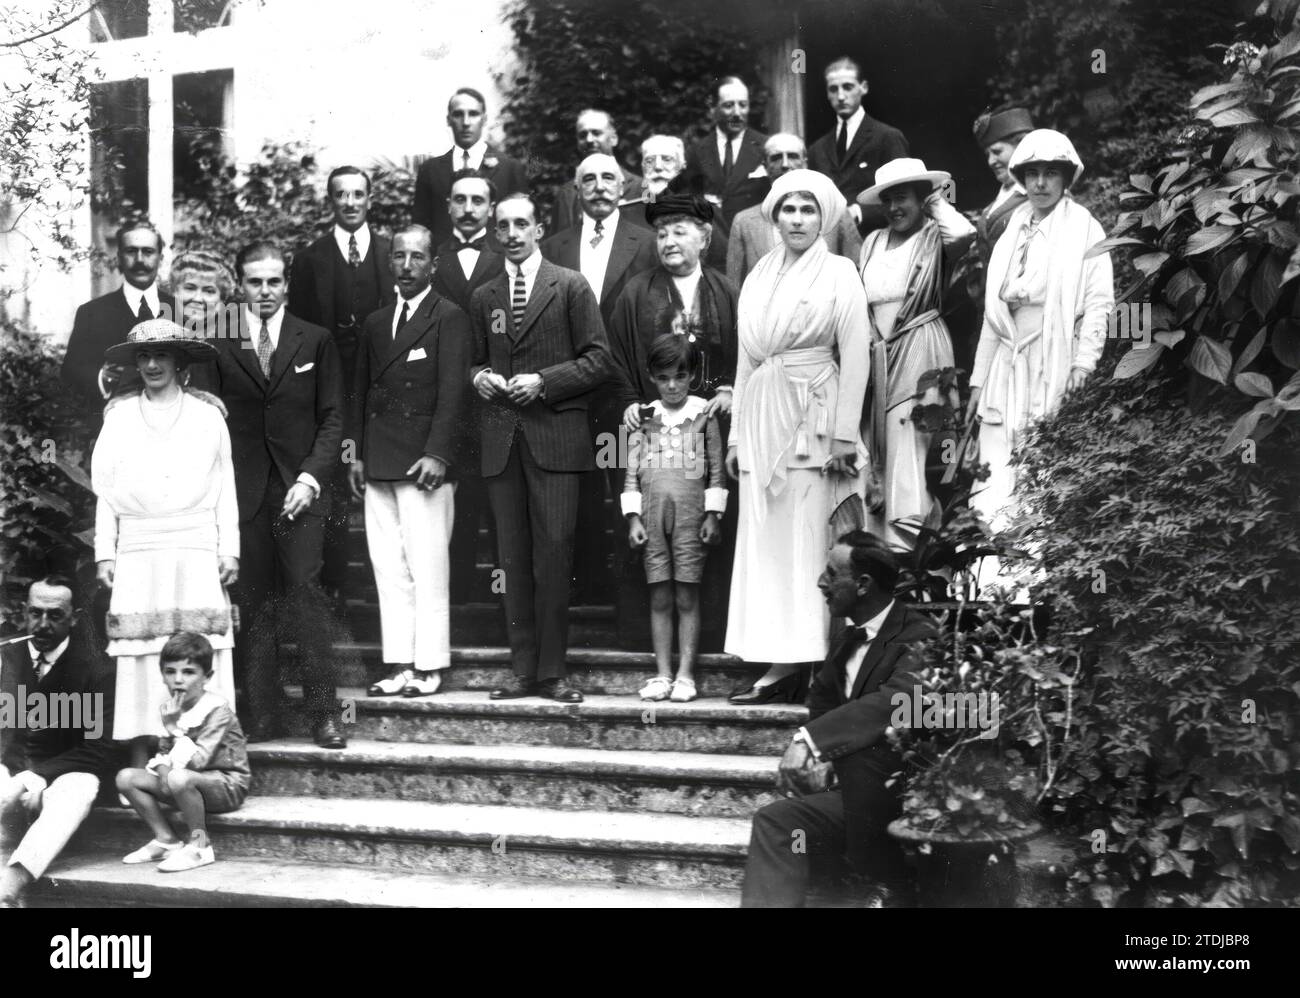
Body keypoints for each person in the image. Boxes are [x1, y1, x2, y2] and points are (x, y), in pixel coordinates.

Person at [724, 169, 870, 705]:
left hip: (815, 413)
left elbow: (855, 355)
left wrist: (842, 435)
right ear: (774, 215)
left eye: (809, 209)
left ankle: (814, 661)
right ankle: (778, 659)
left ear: (826, 216)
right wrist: (738, 433)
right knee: (767, 539)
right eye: (788, 209)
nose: (798, 219)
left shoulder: (839, 272)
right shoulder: (760, 271)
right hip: (763, 413)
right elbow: (745, 357)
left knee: (810, 536)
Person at [740, 532, 937, 907]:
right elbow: (823, 703)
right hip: (851, 795)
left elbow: (901, 700)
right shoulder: (846, 639)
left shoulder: (919, 634)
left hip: (898, 796)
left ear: (863, 584)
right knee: (778, 822)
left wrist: (810, 742)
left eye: (831, 573)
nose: (820, 582)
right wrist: (825, 756)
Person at [469, 194, 612, 703]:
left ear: (539, 228)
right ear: (494, 231)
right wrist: (480, 376)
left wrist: (544, 382)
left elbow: (599, 361)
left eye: (521, 224)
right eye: (502, 225)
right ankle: (521, 668)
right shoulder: (485, 295)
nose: (511, 233)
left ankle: (553, 671)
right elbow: (472, 360)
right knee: (511, 558)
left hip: (556, 440)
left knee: (554, 556)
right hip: (503, 442)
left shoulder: (570, 285)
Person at [209, 241, 347, 749]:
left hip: (302, 493)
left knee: (306, 598)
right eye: (254, 282)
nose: (263, 291)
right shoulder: (219, 344)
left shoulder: (315, 340)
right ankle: (264, 714)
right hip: (243, 496)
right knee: (255, 603)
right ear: (240, 285)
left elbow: (333, 418)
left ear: (286, 284)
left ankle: (324, 714)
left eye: (272, 281)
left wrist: (310, 479)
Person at [92, 319, 238, 769]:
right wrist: (105, 550)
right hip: (139, 545)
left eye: (161, 356)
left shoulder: (208, 414)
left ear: (178, 361)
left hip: (193, 541)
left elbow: (225, 484)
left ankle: (203, 758)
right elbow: (107, 490)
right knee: (141, 652)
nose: (152, 364)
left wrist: (228, 547)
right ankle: (141, 760)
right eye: (144, 356)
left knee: (196, 643)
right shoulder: (118, 416)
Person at [606, 193, 739, 649]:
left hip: (709, 432)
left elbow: (747, 348)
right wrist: (627, 397)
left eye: (679, 231)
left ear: (704, 237)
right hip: (653, 431)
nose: (668, 240)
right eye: (661, 233)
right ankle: (645, 641)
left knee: (707, 526)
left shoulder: (726, 290)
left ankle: (712, 640)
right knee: (648, 528)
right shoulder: (636, 291)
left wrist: (729, 387)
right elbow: (616, 352)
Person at [968, 129, 1113, 530]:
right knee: (996, 461)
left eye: (1051, 172)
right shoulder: (1012, 228)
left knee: (1039, 460)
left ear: (1067, 177)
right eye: (1032, 173)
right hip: (1005, 363)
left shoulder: (1086, 229)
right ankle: (993, 572)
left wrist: (1084, 364)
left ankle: (1036, 575)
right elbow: (993, 317)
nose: (1041, 183)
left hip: (1052, 359)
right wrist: (979, 379)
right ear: (1021, 177)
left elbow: (1099, 303)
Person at [349, 226, 471, 698]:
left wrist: (438, 452)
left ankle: (429, 665)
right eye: (398, 256)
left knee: (427, 565)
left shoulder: (450, 316)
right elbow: (359, 392)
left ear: (433, 265)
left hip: (424, 463)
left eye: (417, 257)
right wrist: (355, 454)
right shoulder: (377, 322)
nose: (406, 265)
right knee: (389, 567)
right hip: (379, 459)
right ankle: (399, 662)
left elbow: (453, 392)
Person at [542, 152, 657, 603]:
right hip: (572, 389)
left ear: (624, 185)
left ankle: (628, 593)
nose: (599, 186)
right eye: (587, 179)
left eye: (608, 177)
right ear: (576, 190)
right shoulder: (554, 247)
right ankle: (586, 589)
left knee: (629, 484)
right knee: (581, 488)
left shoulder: (646, 242)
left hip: (626, 387)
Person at [288, 166, 396, 607]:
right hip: (327, 383)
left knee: (383, 476)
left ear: (370, 199)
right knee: (331, 477)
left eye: (358, 194)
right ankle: (337, 582)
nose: (350, 202)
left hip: (383, 386)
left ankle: (379, 580)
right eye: (341, 195)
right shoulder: (311, 259)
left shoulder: (392, 254)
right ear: (329, 201)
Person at [856, 158, 975, 550]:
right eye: (888, 199)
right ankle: (886, 556)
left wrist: (937, 203)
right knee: (881, 449)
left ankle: (916, 554)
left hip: (922, 348)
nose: (894, 208)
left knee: (911, 444)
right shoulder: (872, 241)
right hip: (879, 357)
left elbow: (964, 234)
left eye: (903, 198)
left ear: (920, 199)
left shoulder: (933, 236)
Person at [1, 577, 121, 908]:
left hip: (61, 778)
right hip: (7, 771)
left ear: (74, 617)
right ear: (24, 612)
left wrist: (36, 776)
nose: (42, 624)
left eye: (55, 615)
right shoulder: (5, 657)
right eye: (35, 613)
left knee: (82, 787)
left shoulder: (96, 669)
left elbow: (97, 750)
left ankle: (10, 887)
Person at [622, 336, 727, 703]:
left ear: (692, 376)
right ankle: (662, 673)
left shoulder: (704, 416)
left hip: (690, 516)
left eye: (680, 377)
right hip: (652, 518)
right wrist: (633, 518)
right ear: (652, 376)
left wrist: (714, 514)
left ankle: (685, 674)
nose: (672, 385)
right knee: (659, 594)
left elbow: (716, 469)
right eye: (663, 377)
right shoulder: (644, 417)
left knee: (687, 593)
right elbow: (631, 471)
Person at [115, 632, 249, 873]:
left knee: (178, 778)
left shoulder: (218, 710)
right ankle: (166, 839)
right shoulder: (172, 709)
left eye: (188, 672)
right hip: (185, 783)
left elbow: (198, 761)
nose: (178, 680)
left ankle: (200, 845)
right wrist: (166, 773)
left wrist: (172, 729)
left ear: (206, 677)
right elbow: (164, 756)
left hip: (225, 785)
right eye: (170, 672)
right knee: (126, 777)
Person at [432, 171, 505, 604]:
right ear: (448, 206)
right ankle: (455, 596)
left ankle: (501, 596)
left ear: (490, 208)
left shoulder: (505, 256)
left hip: (492, 397)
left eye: (478, 200)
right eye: (460, 199)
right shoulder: (431, 256)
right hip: (443, 396)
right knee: (452, 503)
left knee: (497, 500)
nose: (469, 208)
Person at [61, 222, 176, 438]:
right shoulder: (91, 313)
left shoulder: (179, 310)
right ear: (119, 258)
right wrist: (102, 377)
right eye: (131, 251)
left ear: (161, 259)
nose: (140, 260)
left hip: (170, 432)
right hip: (110, 433)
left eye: (148, 252)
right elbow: (70, 372)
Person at [727, 133, 863, 288]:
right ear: (765, 166)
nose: (785, 164)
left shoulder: (836, 213)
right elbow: (733, 287)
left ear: (805, 163)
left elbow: (857, 274)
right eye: (776, 157)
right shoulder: (743, 221)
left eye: (792, 156)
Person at [413, 87, 529, 248]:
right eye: (458, 114)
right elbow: (421, 228)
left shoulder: (509, 168)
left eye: (473, 114)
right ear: (448, 120)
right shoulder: (430, 170)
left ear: (484, 119)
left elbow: (522, 223)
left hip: (496, 266)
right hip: (444, 265)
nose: (466, 122)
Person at [806, 57, 909, 233]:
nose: (840, 96)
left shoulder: (887, 137)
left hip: (877, 239)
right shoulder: (817, 149)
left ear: (864, 87)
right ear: (827, 93)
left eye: (847, 87)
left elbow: (903, 196)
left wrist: (860, 212)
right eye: (833, 89)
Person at [622, 135, 730, 271]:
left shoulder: (703, 211)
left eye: (667, 160)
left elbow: (720, 264)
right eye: (650, 161)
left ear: (682, 166)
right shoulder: (629, 212)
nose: (658, 167)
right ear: (643, 167)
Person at [683, 77, 768, 233]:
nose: (737, 113)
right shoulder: (696, 151)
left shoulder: (765, 147)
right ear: (713, 108)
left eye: (743, 105)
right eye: (728, 106)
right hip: (712, 240)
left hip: (752, 237)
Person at [551, 109, 643, 233]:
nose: (589, 140)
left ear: (614, 139)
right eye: (583, 135)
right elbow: (557, 245)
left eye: (596, 133)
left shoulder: (640, 187)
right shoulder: (567, 193)